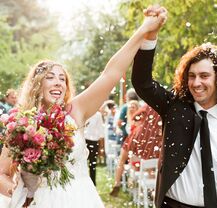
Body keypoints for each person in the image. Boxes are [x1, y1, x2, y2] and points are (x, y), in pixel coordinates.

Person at [0, 11, 168, 208]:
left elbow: (110, 74)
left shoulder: (75, 111)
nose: (58, 83)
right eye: (50, 77)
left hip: (79, 198)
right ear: (37, 84)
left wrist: (144, 30)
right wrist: (15, 190)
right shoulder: (21, 124)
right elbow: (2, 173)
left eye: (62, 79)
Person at [131, 5, 217, 208]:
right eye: (191, 76)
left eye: (204, 76)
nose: (196, 83)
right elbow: (142, 82)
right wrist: (150, 35)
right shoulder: (175, 108)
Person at [84, 111, 105, 186]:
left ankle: (92, 184)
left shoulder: (97, 115)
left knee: (92, 164)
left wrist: (101, 147)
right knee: (82, 164)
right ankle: (83, 183)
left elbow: (101, 131)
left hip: (93, 141)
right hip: (83, 141)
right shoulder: (84, 112)